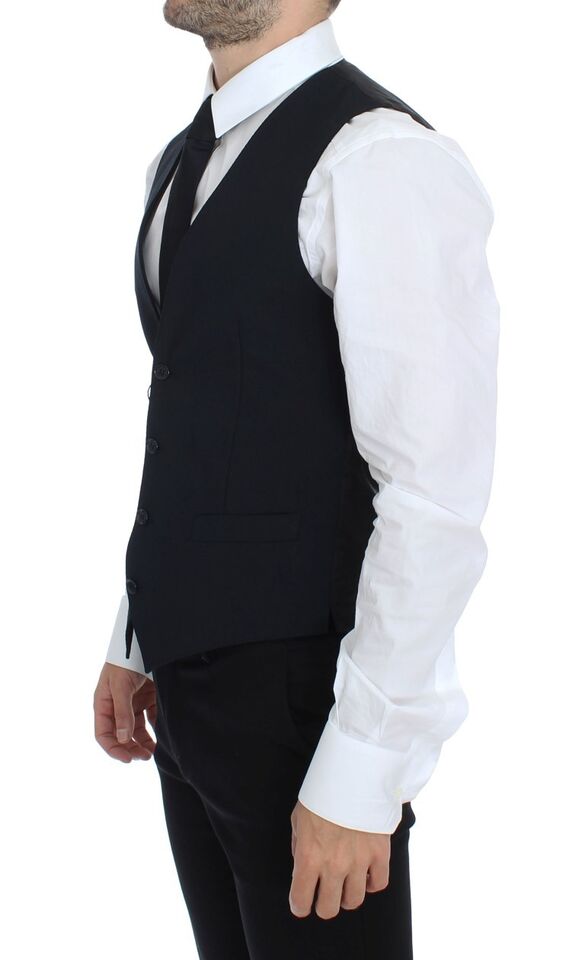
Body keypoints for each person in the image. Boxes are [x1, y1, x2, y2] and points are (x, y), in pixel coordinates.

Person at [93, 2, 499, 957]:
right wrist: (137, 634)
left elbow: (433, 495)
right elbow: (203, 419)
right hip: (189, 696)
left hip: (309, 703)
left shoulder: (378, 161)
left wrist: (364, 767)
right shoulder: (178, 161)